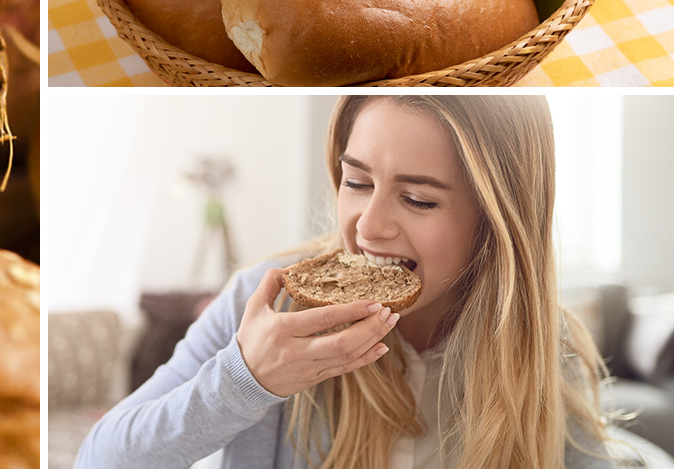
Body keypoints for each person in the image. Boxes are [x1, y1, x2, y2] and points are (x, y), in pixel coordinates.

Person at [76, 95, 664, 469]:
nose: (368, 226)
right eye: (356, 183)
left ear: (496, 220)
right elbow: (99, 459)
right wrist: (246, 380)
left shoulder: (535, 339)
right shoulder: (268, 305)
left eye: (418, 199)